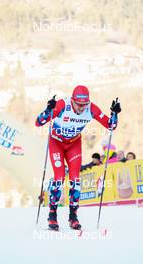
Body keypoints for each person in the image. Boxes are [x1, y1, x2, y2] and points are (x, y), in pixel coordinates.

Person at [35, 85, 121, 230]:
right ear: (73, 100)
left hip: (73, 145)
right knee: (59, 177)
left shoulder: (91, 109)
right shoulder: (63, 105)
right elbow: (38, 122)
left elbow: (111, 126)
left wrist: (115, 114)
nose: (82, 108)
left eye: (84, 104)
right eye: (79, 104)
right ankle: (52, 214)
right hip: (56, 142)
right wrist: (48, 110)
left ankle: (73, 216)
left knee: (75, 180)